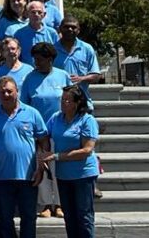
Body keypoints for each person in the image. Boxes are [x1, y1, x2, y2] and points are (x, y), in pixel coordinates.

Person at [0, 77, 50, 238]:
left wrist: (40, 167)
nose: (5, 94)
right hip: (2, 177)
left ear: (17, 92)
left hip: (28, 176)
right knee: (5, 220)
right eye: (2, 91)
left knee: (29, 218)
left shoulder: (32, 113)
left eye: (9, 91)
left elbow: (44, 141)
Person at [20, 42, 72, 219]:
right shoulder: (29, 78)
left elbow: (72, 100)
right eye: (34, 59)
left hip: (60, 129)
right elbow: (24, 105)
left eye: (40, 59)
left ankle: (59, 203)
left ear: (50, 59)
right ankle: (44, 204)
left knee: (58, 168)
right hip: (38, 132)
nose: (36, 62)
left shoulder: (63, 76)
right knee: (41, 166)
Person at [41, 85, 100, 238]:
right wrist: (44, 149)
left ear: (77, 103)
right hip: (63, 176)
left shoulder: (87, 120)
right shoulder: (56, 118)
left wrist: (57, 156)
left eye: (67, 100)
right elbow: (44, 135)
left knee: (84, 216)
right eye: (62, 99)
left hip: (83, 175)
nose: (63, 103)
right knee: (69, 217)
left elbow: (87, 150)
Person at [55, 15, 102, 106]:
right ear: (60, 29)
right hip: (58, 103)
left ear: (78, 30)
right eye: (66, 26)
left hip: (81, 102)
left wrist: (81, 78)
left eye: (73, 27)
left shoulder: (87, 49)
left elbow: (96, 76)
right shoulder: (53, 50)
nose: (70, 29)